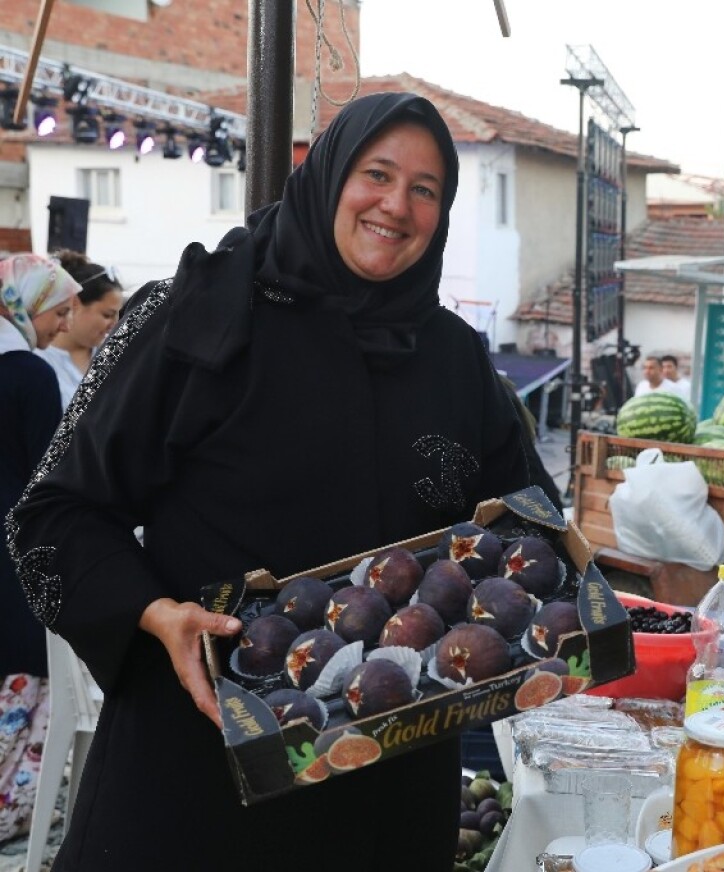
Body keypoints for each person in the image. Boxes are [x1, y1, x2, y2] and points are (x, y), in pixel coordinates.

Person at [8, 92, 543, 870]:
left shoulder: (457, 360)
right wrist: (153, 613)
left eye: (425, 190)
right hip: (199, 762)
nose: (396, 205)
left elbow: (527, 525)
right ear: (327, 176)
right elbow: (52, 515)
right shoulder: (196, 314)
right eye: (377, 174)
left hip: (383, 784)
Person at [0, 254, 78, 843]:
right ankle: (13, 809)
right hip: (13, 558)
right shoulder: (27, 373)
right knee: (32, 679)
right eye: (59, 307)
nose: (64, 320)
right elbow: (49, 479)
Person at [34, 250, 125, 409]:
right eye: (107, 315)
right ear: (75, 303)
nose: (114, 324)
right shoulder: (36, 358)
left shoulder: (114, 357)